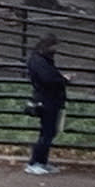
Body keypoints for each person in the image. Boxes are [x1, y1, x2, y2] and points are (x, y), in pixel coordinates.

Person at [25, 35, 69, 174]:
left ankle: (41, 161)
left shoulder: (40, 60)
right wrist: (63, 79)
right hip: (47, 100)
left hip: (48, 99)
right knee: (47, 132)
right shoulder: (40, 61)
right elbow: (48, 79)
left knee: (48, 132)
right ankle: (34, 162)